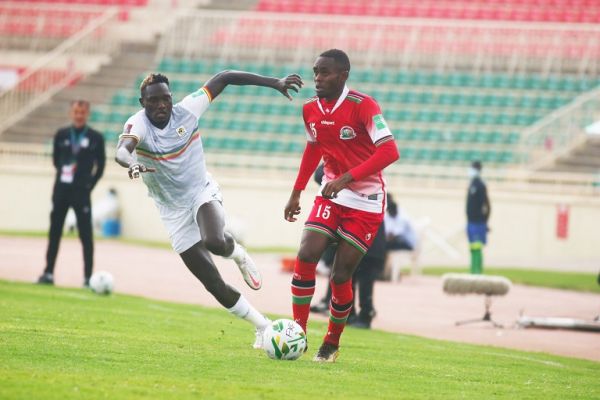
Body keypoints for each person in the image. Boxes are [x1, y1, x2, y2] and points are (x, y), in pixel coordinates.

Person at [115, 70, 303, 348]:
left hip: (201, 191)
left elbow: (224, 77)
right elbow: (122, 150)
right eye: (153, 101)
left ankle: (238, 254)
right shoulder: (138, 124)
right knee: (212, 283)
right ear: (143, 102)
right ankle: (262, 326)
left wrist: (273, 83)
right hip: (172, 211)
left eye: (165, 99)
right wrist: (131, 164)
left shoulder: (188, 110)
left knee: (214, 240)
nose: (161, 105)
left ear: (171, 98)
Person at [284, 49, 399, 362]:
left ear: (343, 75)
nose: (318, 78)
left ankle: (332, 343)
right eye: (315, 72)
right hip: (331, 194)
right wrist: (296, 192)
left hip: (366, 201)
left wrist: (347, 178)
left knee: (340, 276)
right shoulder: (310, 109)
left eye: (325, 72)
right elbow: (312, 149)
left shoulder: (363, 106)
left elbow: (390, 151)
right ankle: (298, 332)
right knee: (306, 254)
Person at [37, 100, 106, 287]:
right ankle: (48, 272)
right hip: (61, 190)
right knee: (54, 232)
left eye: (82, 112)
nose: (79, 115)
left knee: (85, 235)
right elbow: (55, 160)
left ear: (87, 114)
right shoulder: (61, 135)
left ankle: (87, 278)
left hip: (81, 192)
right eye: (76, 111)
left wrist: (88, 185)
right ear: (71, 113)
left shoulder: (95, 137)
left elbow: (100, 166)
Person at [466, 160, 491, 274]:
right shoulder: (471, 184)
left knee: (477, 246)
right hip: (470, 221)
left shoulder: (480, 185)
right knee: (472, 247)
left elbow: (487, 205)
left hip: (478, 222)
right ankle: (472, 270)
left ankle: (477, 271)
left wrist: (485, 221)